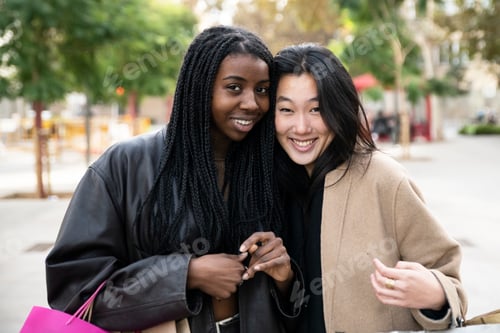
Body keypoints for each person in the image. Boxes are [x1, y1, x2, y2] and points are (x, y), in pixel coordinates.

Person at [45, 26, 301, 332]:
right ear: (200, 88)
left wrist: (285, 276)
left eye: (262, 90)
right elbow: (74, 290)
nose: (252, 103)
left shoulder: (272, 168)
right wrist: (186, 274)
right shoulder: (126, 165)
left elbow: (306, 297)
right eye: (234, 87)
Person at [272, 43, 467, 333]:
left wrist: (434, 293)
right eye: (286, 109)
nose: (301, 127)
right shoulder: (267, 184)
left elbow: (451, 284)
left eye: (316, 109)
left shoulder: (383, 178)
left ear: (338, 108)